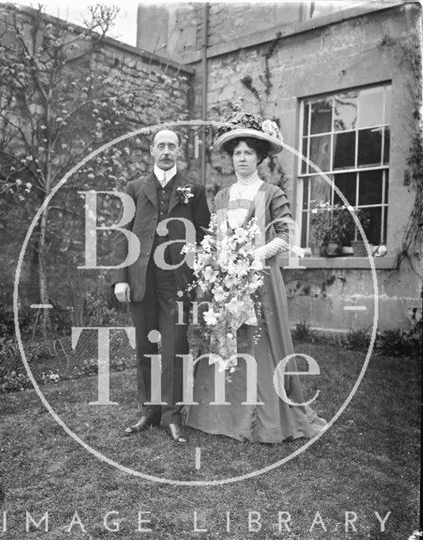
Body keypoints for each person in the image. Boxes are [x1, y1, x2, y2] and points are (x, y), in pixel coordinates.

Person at [186, 113, 326, 443]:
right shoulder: (221, 196)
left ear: (260, 158)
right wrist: (219, 262)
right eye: (237, 152)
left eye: (249, 152)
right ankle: (222, 416)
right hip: (228, 283)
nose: (243, 158)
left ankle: (266, 419)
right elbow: (218, 236)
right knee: (227, 339)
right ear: (231, 157)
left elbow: (284, 235)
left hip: (261, 280)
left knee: (260, 342)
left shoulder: (271, 192)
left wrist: (251, 257)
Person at [111, 128, 210, 443]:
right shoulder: (135, 187)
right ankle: (149, 411)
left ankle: (171, 415)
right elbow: (122, 235)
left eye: (172, 146)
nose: (166, 151)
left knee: (175, 346)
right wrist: (120, 279)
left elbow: (204, 237)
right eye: (161, 146)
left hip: (177, 281)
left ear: (179, 151)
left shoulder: (194, 190)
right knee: (144, 346)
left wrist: (199, 274)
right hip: (142, 279)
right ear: (152, 151)